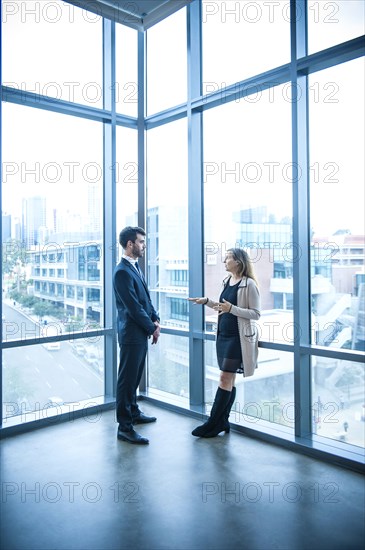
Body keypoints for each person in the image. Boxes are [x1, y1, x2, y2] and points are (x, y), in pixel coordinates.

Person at [188, 248, 260, 438]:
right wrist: (207, 302)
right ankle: (223, 420)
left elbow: (255, 313)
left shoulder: (249, 284)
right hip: (223, 336)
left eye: (228, 258)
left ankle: (213, 423)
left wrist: (232, 308)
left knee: (224, 379)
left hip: (238, 339)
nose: (224, 261)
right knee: (229, 380)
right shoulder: (227, 281)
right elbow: (223, 308)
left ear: (238, 261)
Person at [113, 226, 160, 445]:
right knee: (127, 381)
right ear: (130, 244)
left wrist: (155, 318)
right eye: (141, 241)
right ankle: (124, 428)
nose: (144, 245)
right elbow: (132, 307)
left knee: (135, 378)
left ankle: (133, 413)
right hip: (131, 335)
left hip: (140, 333)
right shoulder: (122, 271)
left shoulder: (135, 267)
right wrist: (152, 328)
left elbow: (145, 300)